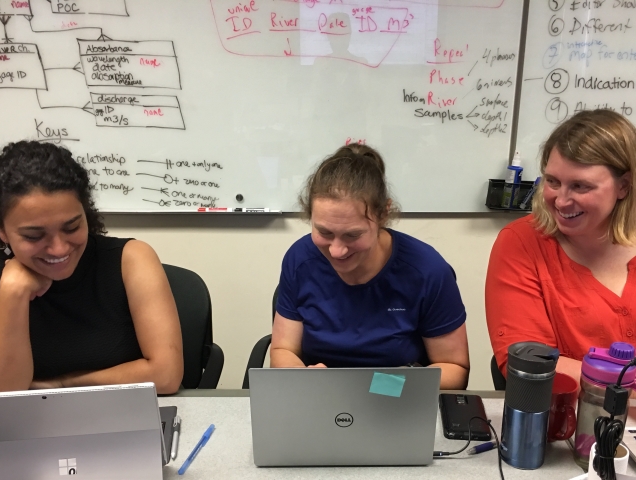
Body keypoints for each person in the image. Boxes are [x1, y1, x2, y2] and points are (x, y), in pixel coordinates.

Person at [270, 143, 470, 389]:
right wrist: (303, 379)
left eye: (353, 235)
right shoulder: (300, 260)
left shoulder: (427, 271)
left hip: (395, 402)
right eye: (324, 232)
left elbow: (455, 369)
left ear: (383, 214)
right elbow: (282, 349)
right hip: (320, 397)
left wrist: (375, 388)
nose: (336, 250)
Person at [0, 141, 183, 393]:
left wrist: (61, 385)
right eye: (34, 236)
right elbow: (5, 398)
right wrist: (13, 295)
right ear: (2, 233)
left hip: (126, 415)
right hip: (34, 426)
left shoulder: (131, 259)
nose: (59, 248)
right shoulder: (4, 282)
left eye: (71, 227)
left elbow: (166, 375)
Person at [486, 109, 636, 383]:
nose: (561, 200)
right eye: (553, 182)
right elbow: (525, 360)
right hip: (570, 416)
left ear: (623, 186)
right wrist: (624, 384)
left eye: (580, 186)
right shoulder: (523, 243)